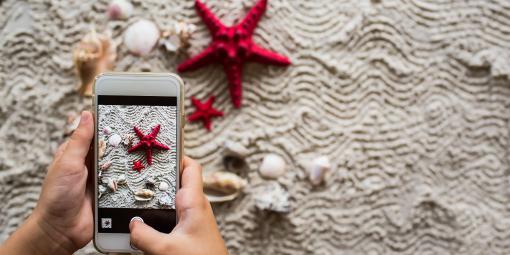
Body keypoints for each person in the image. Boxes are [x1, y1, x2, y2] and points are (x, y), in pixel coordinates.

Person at [0, 111, 228, 255]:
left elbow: (148, 141)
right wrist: (51, 230)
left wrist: (50, 231)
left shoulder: (149, 143)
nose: (147, 140)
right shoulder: (143, 142)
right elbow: (144, 140)